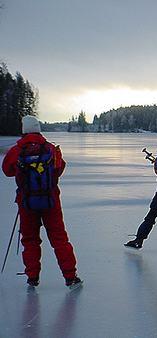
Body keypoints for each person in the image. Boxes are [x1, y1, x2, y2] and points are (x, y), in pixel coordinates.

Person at [2, 115, 82, 288]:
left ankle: (32, 277)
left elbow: (7, 171)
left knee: (30, 239)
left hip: (26, 203)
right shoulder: (51, 149)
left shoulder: (16, 151)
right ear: (38, 129)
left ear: (24, 130)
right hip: (50, 201)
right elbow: (59, 169)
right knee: (59, 238)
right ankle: (70, 276)